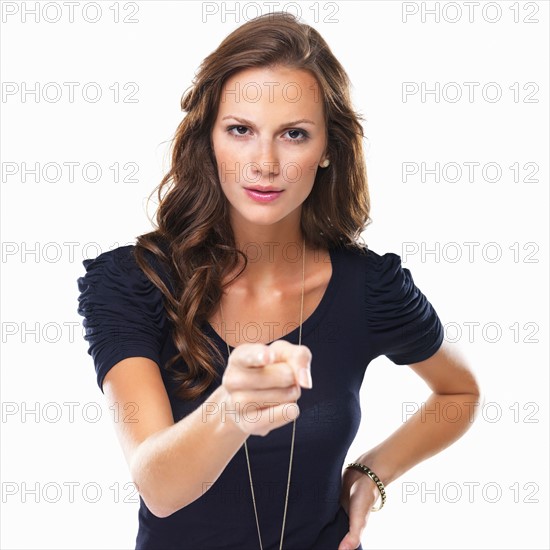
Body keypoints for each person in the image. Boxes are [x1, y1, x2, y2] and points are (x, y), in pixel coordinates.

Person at [76, 11, 481, 550]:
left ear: (328, 150)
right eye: (240, 130)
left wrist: (370, 477)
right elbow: (159, 487)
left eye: (293, 134)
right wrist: (232, 409)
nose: (264, 162)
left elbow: (459, 391)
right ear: (209, 139)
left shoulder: (370, 286)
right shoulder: (134, 282)